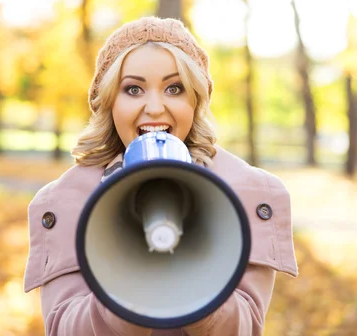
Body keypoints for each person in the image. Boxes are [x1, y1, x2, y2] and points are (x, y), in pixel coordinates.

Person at [24, 17, 298, 335]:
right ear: (110, 101)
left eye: (174, 88)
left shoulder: (247, 193)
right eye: (133, 89)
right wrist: (125, 295)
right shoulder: (66, 202)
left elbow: (246, 327)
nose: (154, 107)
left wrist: (199, 290)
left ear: (195, 99)